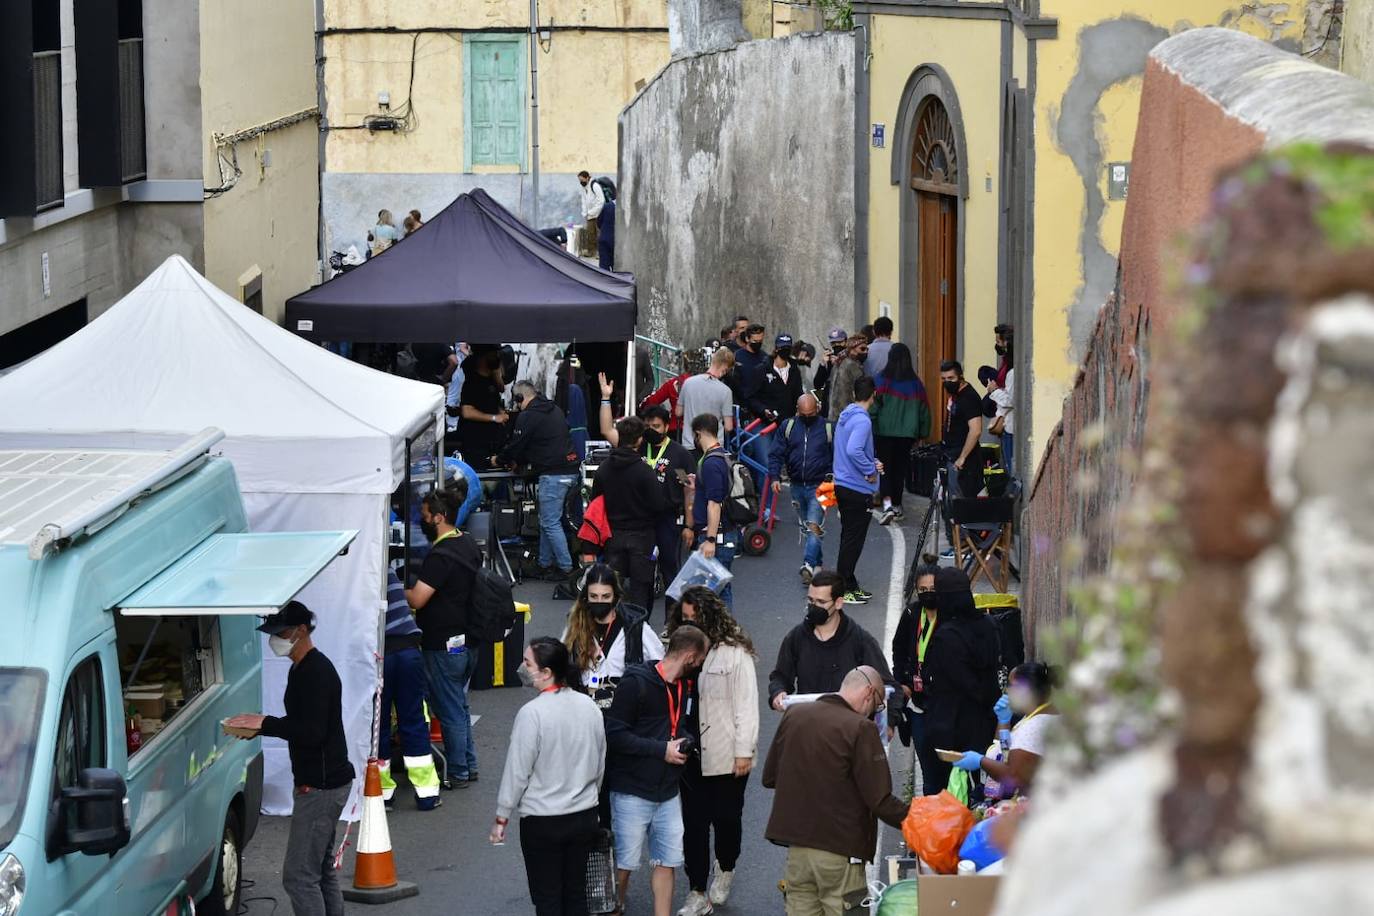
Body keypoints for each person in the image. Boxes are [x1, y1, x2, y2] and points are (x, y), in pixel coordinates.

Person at [225, 602, 355, 916]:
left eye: (280, 632)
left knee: (298, 876)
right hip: (327, 782)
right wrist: (263, 725)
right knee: (320, 871)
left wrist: (265, 724)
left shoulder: (315, 672)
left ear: (300, 631)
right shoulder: (304, 668)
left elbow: (311, 732)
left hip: (321, 787)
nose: (274, 639)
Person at [762, 666, 908, 916]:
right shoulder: (861, 728)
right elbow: (880, 800)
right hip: (840, 854)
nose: (875, 712)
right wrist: (921, 820)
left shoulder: (795, 715)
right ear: (869, 692)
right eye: (878, 705)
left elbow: (770, 777)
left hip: (798, 852)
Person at [492, 638, 606, 916]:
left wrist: (501, 817)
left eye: (528, 663)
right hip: (584, 815)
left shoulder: (532, 714)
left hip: (543, 821)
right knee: (576, 894)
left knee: (547, 898)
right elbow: (600, 759)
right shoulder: (589, 706)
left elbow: (517, 770)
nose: (523, 667)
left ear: (546, 673)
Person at [604, 625, 712, 916]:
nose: (701, 665)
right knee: (625, 863)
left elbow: (682, 725)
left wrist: (687, 741)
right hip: (632, 791)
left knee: (667, 861)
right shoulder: (635, 684)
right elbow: (614, 735)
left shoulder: (684, 685)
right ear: (690, 656)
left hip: (668, 792)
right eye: (700, 660)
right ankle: (614, 908)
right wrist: (660, 750)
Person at [668, 588, 759, 916]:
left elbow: (747, 705)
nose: (690, 623)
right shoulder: (678, 648)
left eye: (695, 618)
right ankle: (696, 891)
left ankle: (727, 865)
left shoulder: (735, 652)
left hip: (725, 753)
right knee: (693, 825)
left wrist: (743, 751)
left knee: (726, 820)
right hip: (689, 756)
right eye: (685, 618)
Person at [406, 488, 483, 788]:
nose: (422, 521)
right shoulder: (466, 542)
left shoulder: (440, 556)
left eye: (425, 516)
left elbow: (419, 599)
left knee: (449, 708)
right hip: (467, 640)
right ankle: (470, 764)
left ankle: (459, 771)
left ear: (438, 517)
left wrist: (397, 589)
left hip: (442, 644)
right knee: (459, 705)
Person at [767, 569, 899, 715]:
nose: (813, 606)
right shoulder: (796, 638)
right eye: (811, 600)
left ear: (838, 603)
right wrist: (778, 692)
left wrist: (890, 722)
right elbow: (780, 677)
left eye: (821, 602)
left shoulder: (860, 641)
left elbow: (887, 685)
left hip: (847, 729)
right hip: (808, 724)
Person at [918, 567, 1001, 795]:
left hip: (951, 731)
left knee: (948, 794)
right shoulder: (989, 624)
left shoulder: (947, 636)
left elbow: (958, 681)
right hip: (985, 724)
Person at [501, 380, 580, 581]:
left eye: (516, 401)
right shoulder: (554, 409)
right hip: (570, 470)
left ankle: (566, 568)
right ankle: (544, 564)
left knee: (550, 522)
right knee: (548, 521)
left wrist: (501, 459)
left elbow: (517, 446)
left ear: (519, 398)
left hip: (553, 475)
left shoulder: (528, 416)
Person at [592, 416, 671, 613]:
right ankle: (638, 628)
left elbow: (596, 502)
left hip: (613, 534)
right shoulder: (644, 471)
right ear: (639, 440)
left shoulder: (604, 469)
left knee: (613, 587)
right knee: (641, 588)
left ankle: (612, 627)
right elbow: (658, 504)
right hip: (642, 536)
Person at [379, 568, 441, 810]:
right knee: (413, 721)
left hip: (381, 655)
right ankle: (427, 795)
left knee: (378, 725)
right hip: (408, 650)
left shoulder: (357, 577)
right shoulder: (386, 570)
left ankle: (382, 795)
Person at [953, 662, 1060, 799]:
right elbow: (1004, 752)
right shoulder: (1034, 716)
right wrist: (1003, 722)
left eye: (1010, 685)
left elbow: (1013, 776)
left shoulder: (1035, 726)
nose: (1006, 691)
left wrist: (980, 761)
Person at [564, 563, 666, 707]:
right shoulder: (575, 626)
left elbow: (660, 663)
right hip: (585, 707)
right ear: (586, 597)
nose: (599, 601)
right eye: (594, 596)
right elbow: (561, 663)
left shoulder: (635, 627)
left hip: (624, 707)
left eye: (605, 596)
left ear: (616, 597)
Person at [769, 392, 833, 584]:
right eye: (804, 415)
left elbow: (839, 456)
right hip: (797, 485)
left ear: (818, 409)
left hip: (824, 485)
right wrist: (774, 477)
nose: (807, 418)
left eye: (811, 414)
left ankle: (808, 564)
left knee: (814, 526)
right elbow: (775, 453)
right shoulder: (787, 427)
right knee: (809, 527)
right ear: (797, 411)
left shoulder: (830, 428)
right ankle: (817, 566)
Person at [642, 405, 696, 619]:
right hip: (643, 519)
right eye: (647, 426)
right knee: (643, 572)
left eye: (656, 426)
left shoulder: (679, 455)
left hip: (668, 519)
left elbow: (688, 489)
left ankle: (671, 624)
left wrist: (689, 526)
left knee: (671, 572)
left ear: (666, 426)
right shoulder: (639, 448)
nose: (651, 430)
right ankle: (641, 623)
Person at [891, 562, 942, 788]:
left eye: (933, 589)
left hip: (943, 706)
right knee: (927, 765)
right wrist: (901, 682)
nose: (928, 594)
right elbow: (898, 648)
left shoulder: (949, 617)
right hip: (917, 704)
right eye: (923, 590)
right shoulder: (912, 613)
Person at [871, 343, 932, 525]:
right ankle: (897, 505)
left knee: (884, 469)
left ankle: (887, 505)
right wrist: (923, 433)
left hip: (883, 433)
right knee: (899, 471)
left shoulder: (881, 381)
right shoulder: (916, 385)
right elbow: (924, 412)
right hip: (907, 436)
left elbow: (872, 407)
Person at [833, 377, 881, 604]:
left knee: (848, 537)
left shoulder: (846, 416)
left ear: (854, 394)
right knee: (853, 540)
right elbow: (854, 450)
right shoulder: (863, 421)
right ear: (874, 394)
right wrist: (870, 469)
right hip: (856, 487)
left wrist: (872, 461)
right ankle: (843, 588)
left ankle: (850, 582)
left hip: (843, 483)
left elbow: (850, 448)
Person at [687, 413, 740, 608]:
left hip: (717, 537)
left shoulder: (710, 462)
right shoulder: (722, 455)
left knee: (716, 593)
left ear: (698, 433)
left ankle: (723, 635)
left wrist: (710, 539)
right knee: (717, 590)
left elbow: (714, 503)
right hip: (722, 534)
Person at [746, 333, 803, 487]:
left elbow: (798, 394)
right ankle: (763, 501)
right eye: (782, 348)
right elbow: (750, 397)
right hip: (764, 424)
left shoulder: (794, 370)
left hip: (787, 425)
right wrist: (764, 410)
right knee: (765, 463)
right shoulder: (762, 370)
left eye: (787, 348)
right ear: (776, 349)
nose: (784, 351)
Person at [940, 360, 986, 499]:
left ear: (960, 376)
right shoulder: (956, 395)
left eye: (951, 378)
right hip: (952, 453)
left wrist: (962, 458)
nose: (947, 382)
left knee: (960, 502)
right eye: (944, 379)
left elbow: (976, 430)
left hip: (964, 460)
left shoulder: (969, 397)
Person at [459, 346, 510, 471]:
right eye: (494, 355)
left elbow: (501, 389)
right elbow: (466, 411)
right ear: (483, 358)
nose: (497, 358)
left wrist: (496, 373)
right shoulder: (471, 383)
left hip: (494, 439)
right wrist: (494, 418)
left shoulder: (490, 380)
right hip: (476, 441)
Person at [676, 347, 736, 451]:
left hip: (689, 443)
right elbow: (728, 427)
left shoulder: (688, 382)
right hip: (714, 446)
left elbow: (678, 412)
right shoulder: (726, 391)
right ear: (725, 368)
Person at [639, 349, 702, 436]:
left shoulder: (673, 383)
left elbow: (653, 401)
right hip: (700, 430)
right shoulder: (706, 384)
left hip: (677, 428)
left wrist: (641, 405)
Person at [986, 325, 1015, 472]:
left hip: (1010, 424)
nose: (997, 345)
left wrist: (994, 390)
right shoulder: (1006, 364)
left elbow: (1010, 400)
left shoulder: (1012, 370)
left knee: (1011, 466)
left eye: (999, 341)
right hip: (1005, 423)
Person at [826, 335, 869, 420]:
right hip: (848, 416)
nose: (866, 352)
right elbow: (862, 392)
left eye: (867, 349)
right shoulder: (853, 365)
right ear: (852, 349)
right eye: (862, 349)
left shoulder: (838, 363)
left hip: (834, 415)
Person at [810, 327, 848, 419]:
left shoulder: (850, 359)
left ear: (846, 342)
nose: (837, 345)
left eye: (840, 342)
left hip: (845, 405)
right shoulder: (829, 360)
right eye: (834, 343)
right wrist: (823, 364)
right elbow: (817, 384)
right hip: (829, 407)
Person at [578, 171, 605, 257]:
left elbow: (601, 201)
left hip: (598, 213)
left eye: (582, 180)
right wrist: (585, 213)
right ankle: (591, 252)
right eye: (579, 180)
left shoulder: (595, 186)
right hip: (590, 214)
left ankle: (600, 253)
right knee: (590, 234)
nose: (581, 182)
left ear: (587, 178)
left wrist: (593, 211)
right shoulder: (584, 188)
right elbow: (584, 201)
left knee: (599, 233)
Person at [598, 196, 617, 270]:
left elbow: (599, 222)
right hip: (617, 242)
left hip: (604, 239)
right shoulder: (626, 208)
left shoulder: (607, 206)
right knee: (616, 267)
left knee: (603, 267)